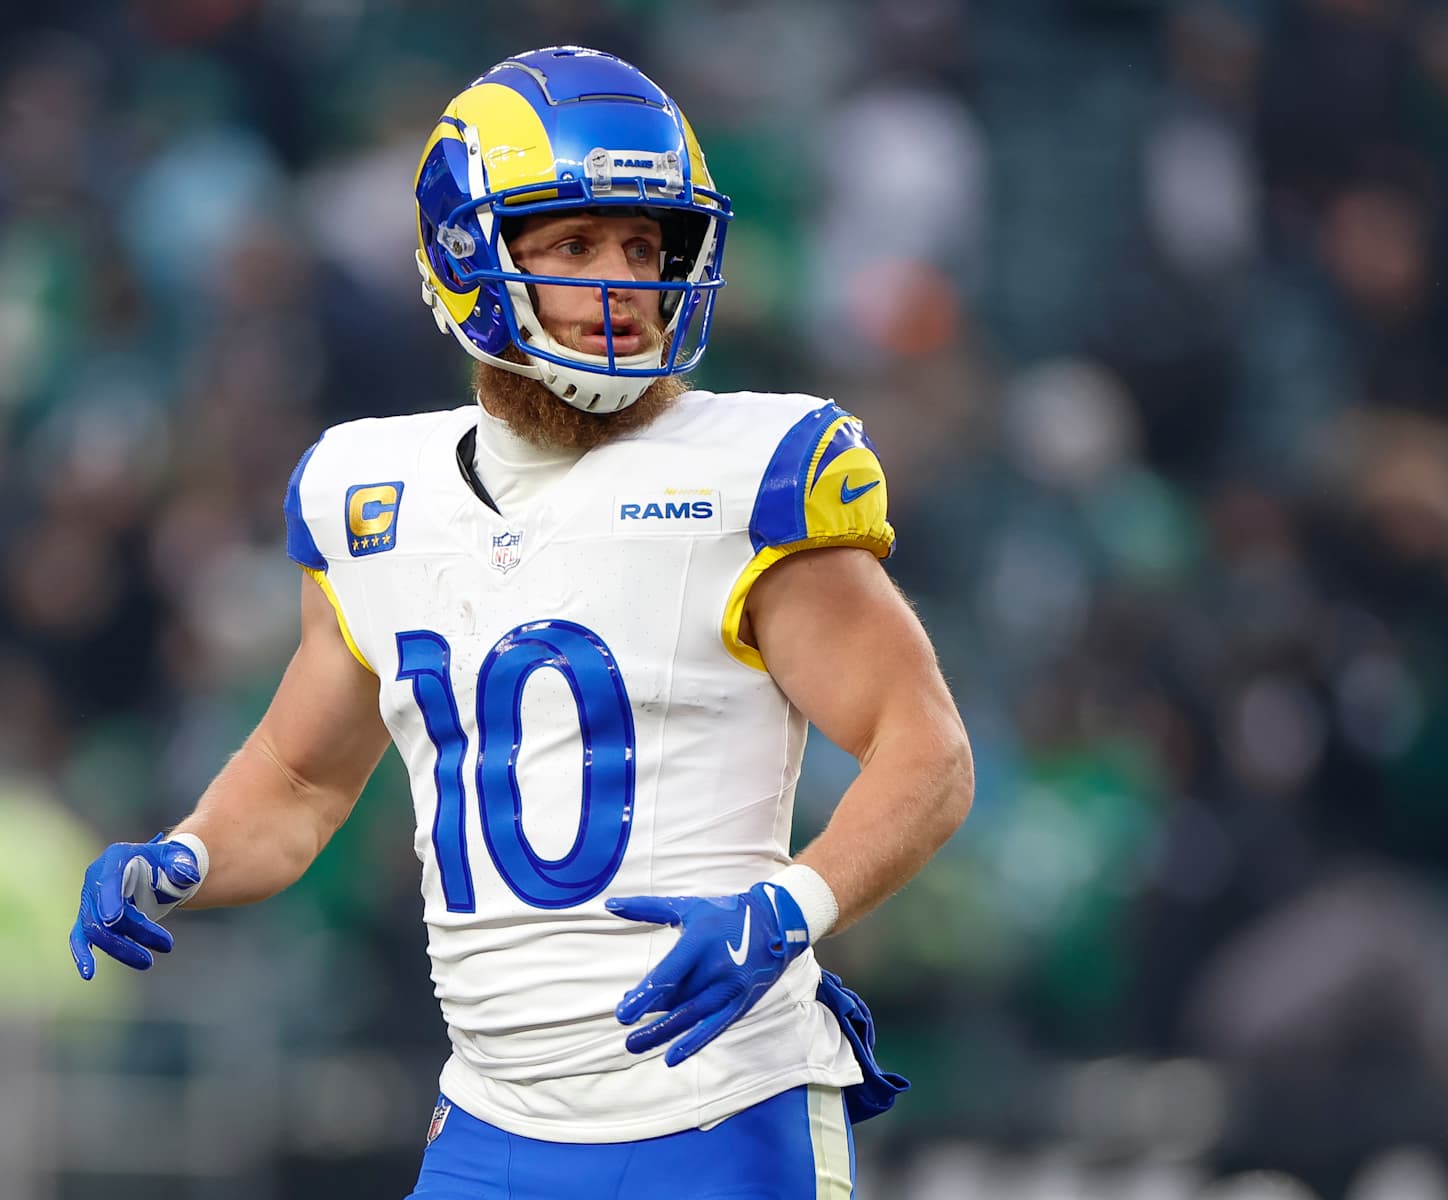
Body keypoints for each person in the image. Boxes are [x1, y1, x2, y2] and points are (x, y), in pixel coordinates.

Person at [70, 45, 974, 1198]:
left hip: (717, 1111)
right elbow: (300, 781)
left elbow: (928, 750)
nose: (625, 283)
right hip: (493, 1126)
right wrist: (184, 854)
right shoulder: (368, 491)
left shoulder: (750, 472)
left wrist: (789, 906)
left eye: (647, 248)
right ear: (466, 255)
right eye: (578, 244)